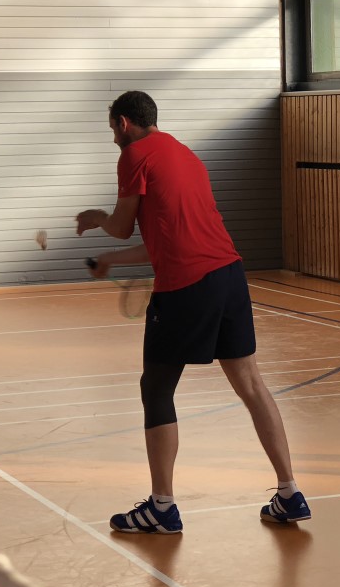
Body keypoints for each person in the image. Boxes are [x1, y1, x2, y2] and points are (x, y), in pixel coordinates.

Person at [76, 90, 310, 532]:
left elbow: (122, 226)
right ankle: (289, 493)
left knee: (156, 388)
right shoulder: (185, 155)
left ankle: (162, 507)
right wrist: (110, 260)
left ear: (124, 123)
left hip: (186, 286)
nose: (113, 139)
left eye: (112, 129)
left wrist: (97, 218)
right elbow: (168, 238)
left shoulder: (134, 155)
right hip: (229, 276)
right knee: (251, 384)